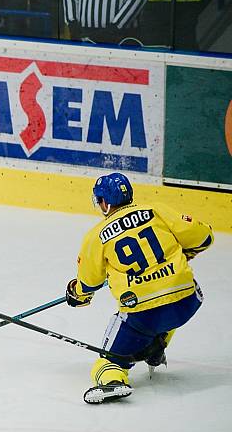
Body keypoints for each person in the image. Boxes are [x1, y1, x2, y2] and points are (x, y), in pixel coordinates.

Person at [66, 172, 214, 404]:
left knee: (108, 361)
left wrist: (76, 294)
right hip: (187, 301)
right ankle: (155, 347)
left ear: (105, 203)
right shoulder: (156, 210)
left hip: (144, 313)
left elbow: (88, 284)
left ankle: (113, 381)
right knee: (167, 310)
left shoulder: (96, 236)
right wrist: (184, 253)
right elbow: (203, 237)